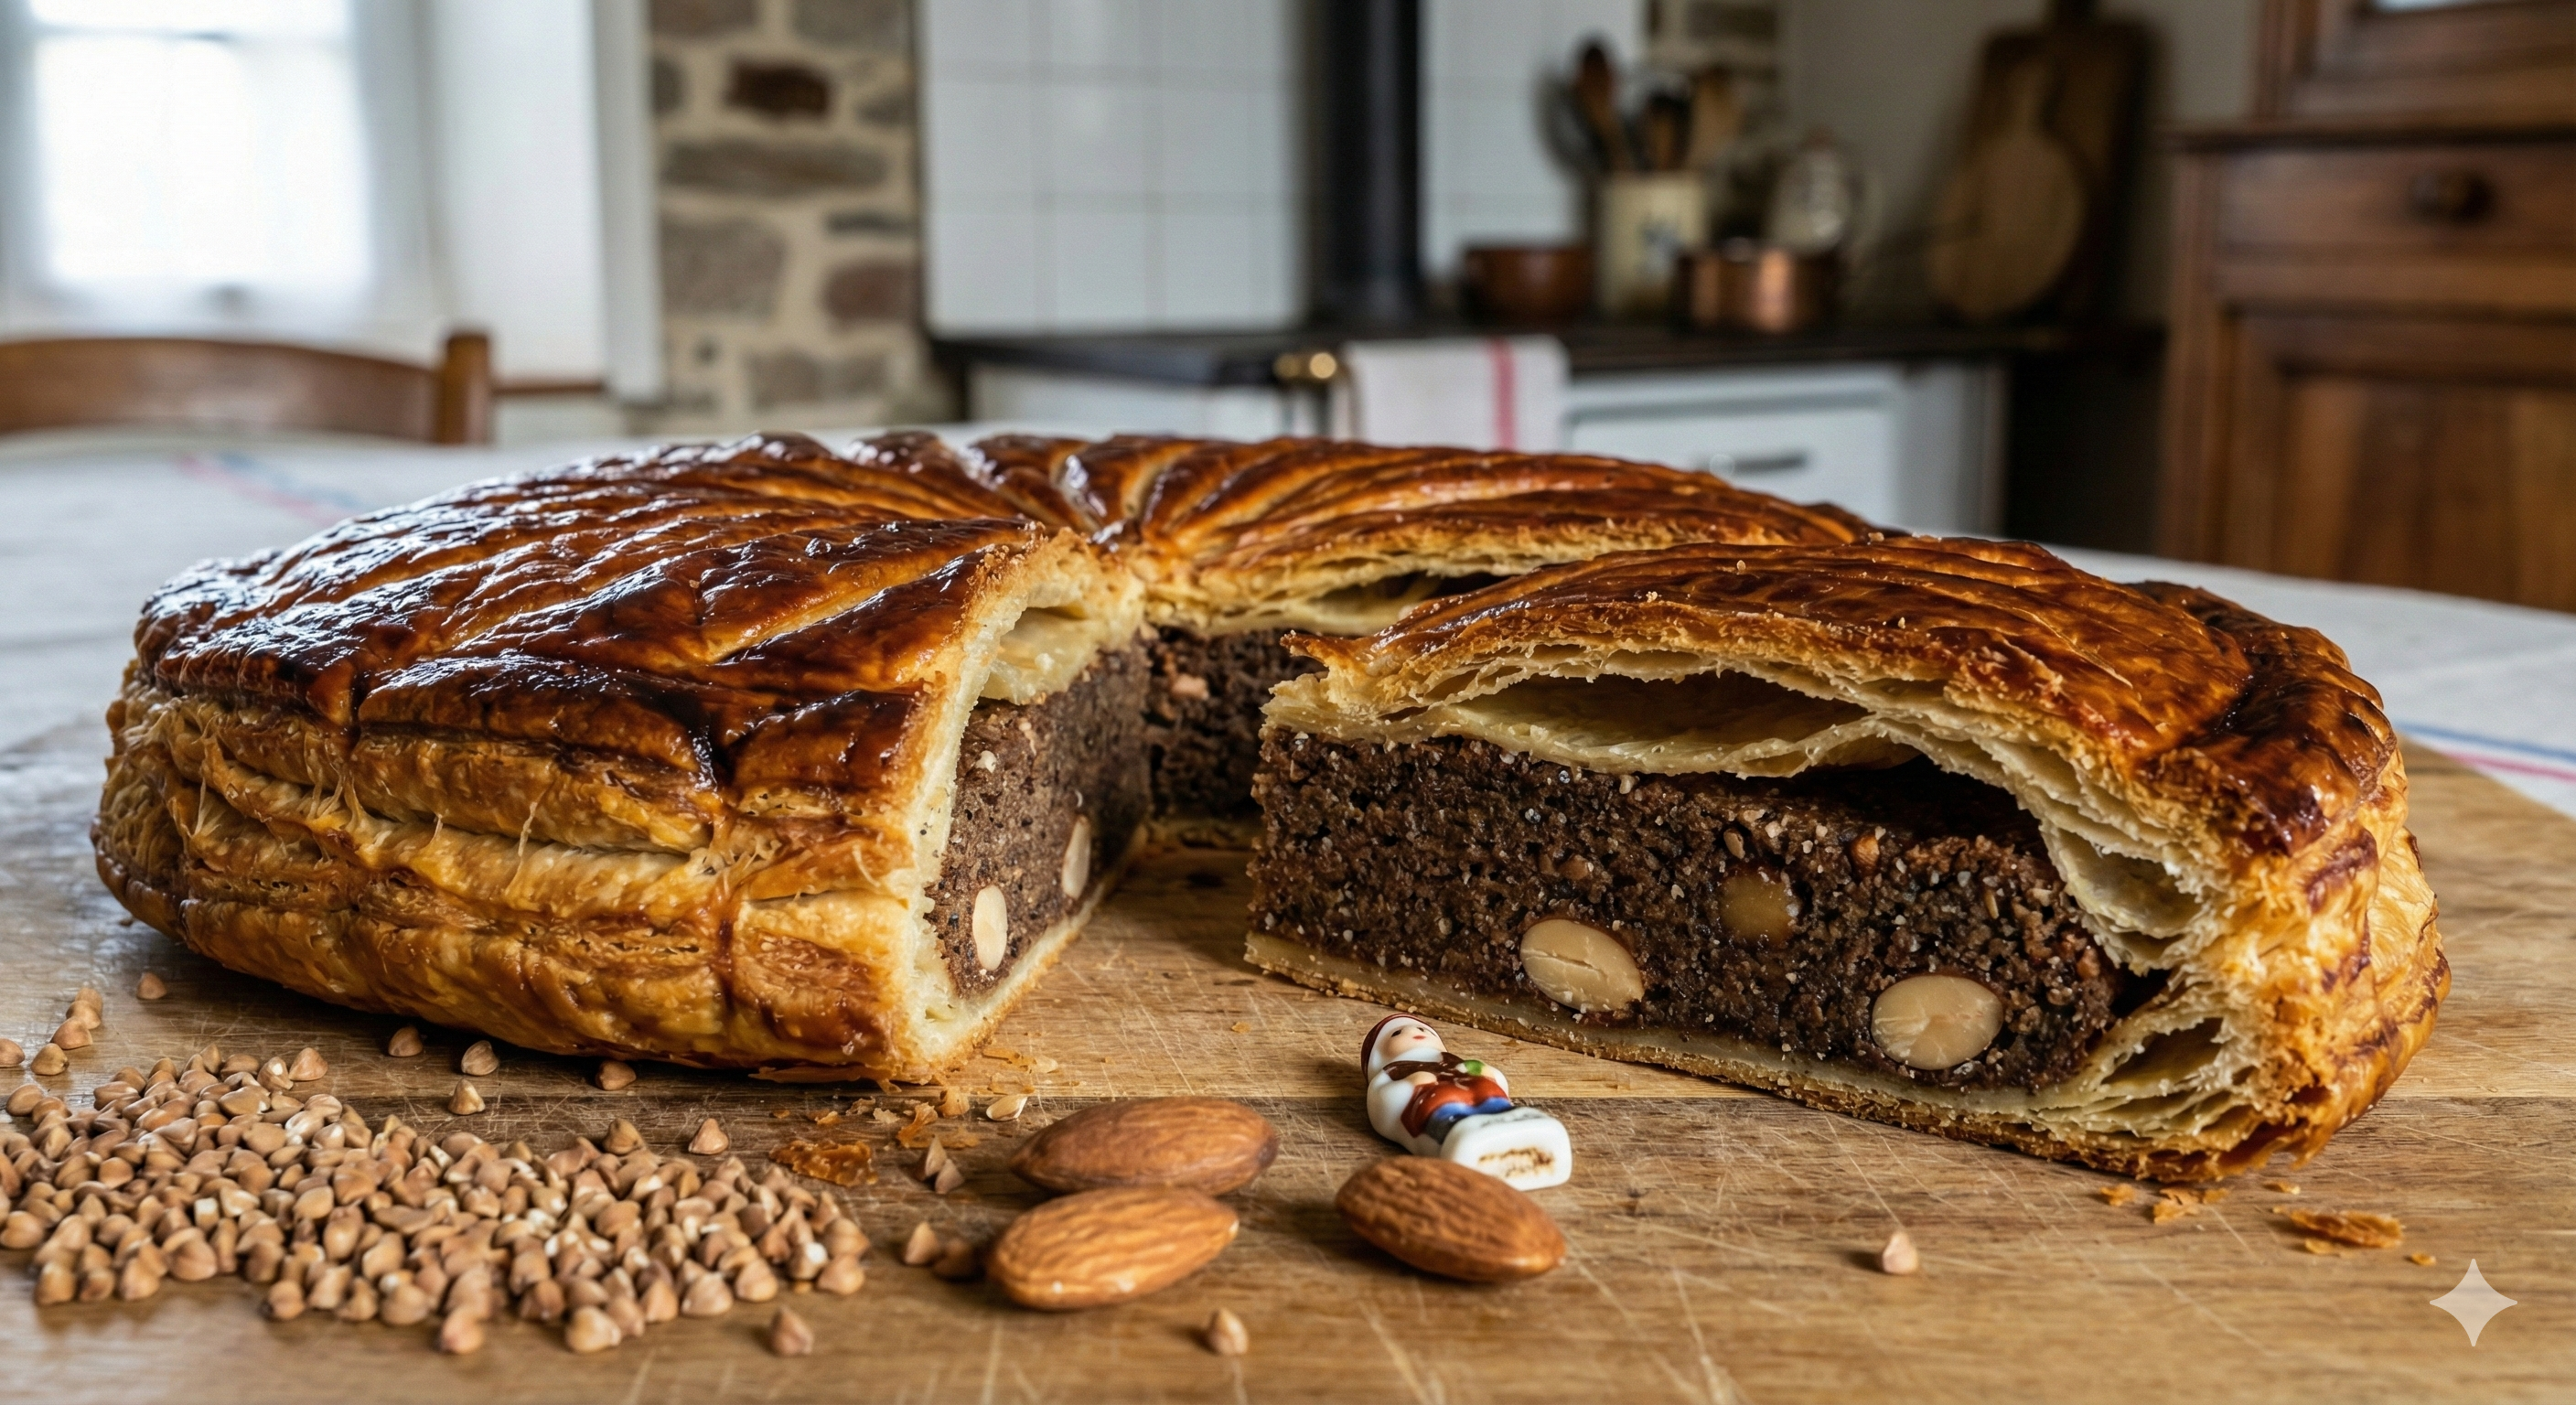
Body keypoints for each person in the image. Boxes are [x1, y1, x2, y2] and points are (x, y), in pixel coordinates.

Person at [1360, 1014, 1572, 1189]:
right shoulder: (1394, 1070)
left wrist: (1485, 1072)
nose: (1416, 1033)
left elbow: (1497, 1080)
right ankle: (1453, 1131)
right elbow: (1381, 1104)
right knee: (1442, 1105)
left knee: (1487, 1090)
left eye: (1424, 1030)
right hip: (1439, 1104)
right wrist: (1411, 1084)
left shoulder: (1451, 1059)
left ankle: (1507, 1117)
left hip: (1479, 1093)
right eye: (1398, 1033)